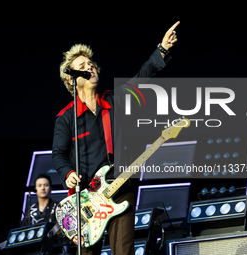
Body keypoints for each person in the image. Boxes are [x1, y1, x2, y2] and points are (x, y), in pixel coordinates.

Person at [52, 21, 179, 255]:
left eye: (91, 64)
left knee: (123, 251)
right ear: (72, 79)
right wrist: (68, 174)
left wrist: (161, 49)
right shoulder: (66, 117)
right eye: (82, 66)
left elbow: (142, 78)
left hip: (120, 186)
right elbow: (58, 154)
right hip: (86, 201)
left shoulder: (113, 101)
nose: (90, 67)